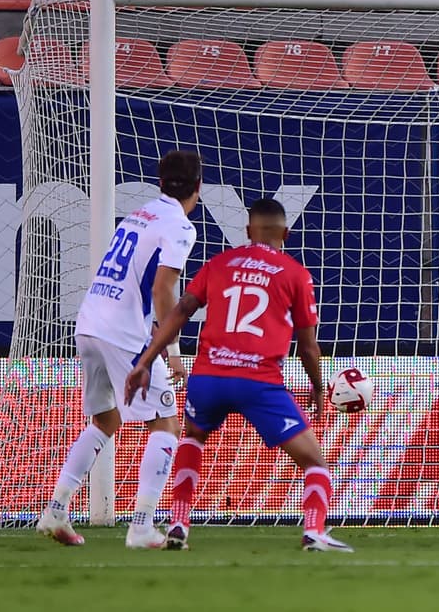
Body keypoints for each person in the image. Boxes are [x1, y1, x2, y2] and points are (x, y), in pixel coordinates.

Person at [124, 198, 351, 553]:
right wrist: (318, 388)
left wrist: (147, 360)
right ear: (286, 234)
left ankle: (179, 522)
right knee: (315, 461)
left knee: (193, 439)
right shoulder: (296, 274)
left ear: (247, 232)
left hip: (208, 378)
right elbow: (308, 347)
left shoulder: (219, 264)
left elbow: (181, 310)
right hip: (259, 382)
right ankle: (314, 531)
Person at [37, 150, 202, 549]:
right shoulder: (179, 226)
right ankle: (142, 525)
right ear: (198, 188)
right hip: (123, 335)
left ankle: (56, 509)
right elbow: (163, 289)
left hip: (90, 323)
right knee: (165, 424)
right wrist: (173, 349)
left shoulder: (138, 213)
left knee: (105, 420)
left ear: (160, 183)